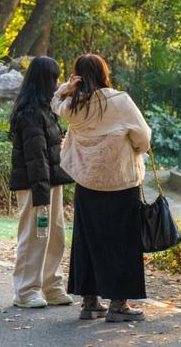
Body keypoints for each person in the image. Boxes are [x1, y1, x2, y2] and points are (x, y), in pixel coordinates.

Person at [52, 53, 151, 324]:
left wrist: (67, 88)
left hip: (87, 183)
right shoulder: (120, 101)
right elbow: (143, 136)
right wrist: (135, 148)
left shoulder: (73, 105)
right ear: (104, 71)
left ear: (78, 76)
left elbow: (54, 104)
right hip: (120, 182)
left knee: (87, 241)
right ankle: (118, 304)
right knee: (122, 243)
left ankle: (90, 302)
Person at [9, 55, 74, 309]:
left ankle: (51, 286)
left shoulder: (47, 110)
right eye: (55, 78)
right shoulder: (29, 114)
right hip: (35, 185)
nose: (58, 82)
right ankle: (26, 291)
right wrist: (41, 193)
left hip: (50, 182)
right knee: (34, 236)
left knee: (55, 236)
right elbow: (36, 158)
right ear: (46, 80)